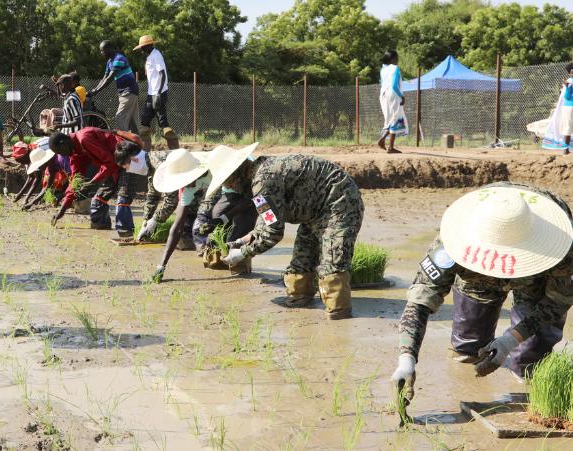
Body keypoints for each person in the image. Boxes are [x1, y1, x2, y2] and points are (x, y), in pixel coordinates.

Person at [390, 183, 573, 406]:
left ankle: (528, 365)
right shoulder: (451, 244)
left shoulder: (561, 245)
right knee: (468, 348)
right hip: (479, 274)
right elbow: (420, 300)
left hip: (536, 269)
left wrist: (510, 340)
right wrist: (406, 359)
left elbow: (556, 301)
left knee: (529, 363)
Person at [213, 149, 364, 320]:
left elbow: (273, 233)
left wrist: (242, 253)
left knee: (333, 262)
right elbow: (267, 221)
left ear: (238, 173)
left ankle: (339, 312)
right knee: (303, 256)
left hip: (340, 204)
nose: (230, 188)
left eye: (230, 183)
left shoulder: (263, 182)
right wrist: (241, 241)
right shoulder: (259, 177)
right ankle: (300, 297)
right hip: (313, 211)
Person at [47, 127, 140, 228]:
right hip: (113, 166)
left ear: (63, 142)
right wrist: (62, 210)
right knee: (97, 203)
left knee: (122, 200)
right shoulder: (75, 153)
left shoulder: (84, 138)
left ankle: (126, 234)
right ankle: (102, 228)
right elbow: (75, 182)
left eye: (60, 151)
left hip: (128, 159)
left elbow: (110, 162)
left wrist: (93, 181)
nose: (63, 155)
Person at [149, 149, 213, 283]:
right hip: (222, 195)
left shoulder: (214, 168)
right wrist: (162, 265)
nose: (184, 184)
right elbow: (177, 227)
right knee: (204, 224)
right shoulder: (187, 188)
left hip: (242, 184)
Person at [114, 146, 179, 241]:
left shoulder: (160, 165)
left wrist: (155, 220)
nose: (128, 171)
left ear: (134, 159)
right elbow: (153, 195)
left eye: (127, 168)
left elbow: (172, 200)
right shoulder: (150, 164)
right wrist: (146, 220)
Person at [133, 35, 179, 150]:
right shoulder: (150, 57)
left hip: (159, 92)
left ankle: (175, 151)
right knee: (145, 121)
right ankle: (145, 151)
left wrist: (158, 93)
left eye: (143, 47)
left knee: (162, 120)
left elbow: (162, 74)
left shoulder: (156, 55)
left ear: (149, 45)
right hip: (151, 93)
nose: (142, 49)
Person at [90, 41, 140, 134]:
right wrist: (95, 89)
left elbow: (109, 78)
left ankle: (123, 141)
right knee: (133, 122)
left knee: (120, 117)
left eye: (102, 50)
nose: (101, 53)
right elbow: (104, 78)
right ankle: (137, 145)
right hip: (125, 92)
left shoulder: (118, 59)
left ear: (110, 49)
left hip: (128, 91)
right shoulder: (110, 61)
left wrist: (96, 91)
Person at [378, 50, 408, 154]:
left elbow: (382, 83)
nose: (398, 60)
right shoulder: (395, 68)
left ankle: (382, 140)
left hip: (383, 95)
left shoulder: (383, 69)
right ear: (393, 59)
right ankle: (390, 147)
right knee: (395, 118)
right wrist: (402, 96)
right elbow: (395, 86)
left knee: (390, 119)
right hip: (393, 94)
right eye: (397, 58)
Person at [542, 63, 573, 155]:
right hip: (569, 107)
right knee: (567, 127)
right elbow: (567, 96)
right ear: (570, 72)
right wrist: (567, 88)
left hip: (568, 106)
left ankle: (565, 149)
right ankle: (565, 149)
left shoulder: (569, 81)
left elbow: (564, 97)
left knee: (567, 127)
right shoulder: (570, 81)